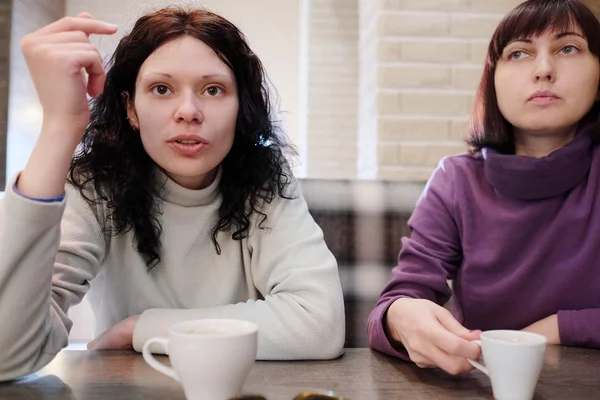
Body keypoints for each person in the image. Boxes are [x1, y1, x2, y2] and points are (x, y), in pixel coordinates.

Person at [0, 7, 345, 381]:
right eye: (161, 89)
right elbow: (7, 356)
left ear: (239, 108)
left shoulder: (265, 178)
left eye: (213, 89)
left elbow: (319, 323)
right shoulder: (95, 186)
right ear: (130, 108)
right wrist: (60, 124)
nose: (188, 111)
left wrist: (141, 329)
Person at [368, 0, 600, 375]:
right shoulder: (456, 181)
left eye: (568, 48)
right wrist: (400, 317)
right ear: (492, 81)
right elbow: (393, 306)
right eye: (519, 53)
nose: (543, 69)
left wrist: (558, 327)